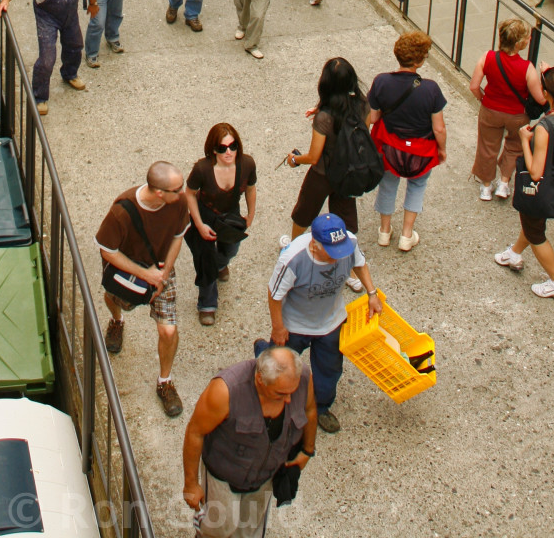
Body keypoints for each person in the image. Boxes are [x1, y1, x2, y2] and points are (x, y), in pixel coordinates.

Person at [255, 214, 380, 434]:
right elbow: (274, 295)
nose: (338, 257)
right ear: (315, 244)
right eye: (331, 252)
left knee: (329, 371)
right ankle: (264, 361)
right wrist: (278, 327)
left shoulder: (348, 243)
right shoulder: (292, 259)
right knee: (277, 367)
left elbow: (360, 264)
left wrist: (372, 293)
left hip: (330, 323)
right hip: (295, 325)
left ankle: (320, 407)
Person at [183, 347, 315, 538]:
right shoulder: (225, 391)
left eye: (292, 392)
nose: (288, 399)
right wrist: (191, 485)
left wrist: (307, 451)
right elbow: (195, 432)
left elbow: (309, 410)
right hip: (223, 479)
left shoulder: (302, 378)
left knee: (249, 532)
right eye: (280, 393)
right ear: (260, 380)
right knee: (217, 530)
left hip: (265, 479)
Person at [97, 162, 189, 417]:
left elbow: (177, 237)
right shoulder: (122, 211)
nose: (183, 193)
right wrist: (145, 274)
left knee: (168, 330)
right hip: (129, 271)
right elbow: (107, 250)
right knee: (112, 298)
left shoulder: (178, 203)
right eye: (177, 188)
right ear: (160, 192)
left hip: (160, 271)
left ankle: (164, 382)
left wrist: (163, 274)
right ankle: (117, 320)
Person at [495, 65, 554, 301]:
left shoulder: (545, 128)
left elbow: (535, 172)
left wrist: (525, 140)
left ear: (545, 93)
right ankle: (514, 254)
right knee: (533, 222)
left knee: (536, 233)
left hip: (543, 186)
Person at [0, 0, 95, 115]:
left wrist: (93, 3)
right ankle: (39, 96)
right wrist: (5, 0)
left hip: (70, 14)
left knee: (75, 46)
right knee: (47, 58)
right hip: (47, 16)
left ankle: (70, 74)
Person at [368, 32, 447, 252]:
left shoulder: (381, 81)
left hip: (390, 148)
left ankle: (384, 231)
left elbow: (373, 117)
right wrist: (441, 150)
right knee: (417, 186)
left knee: (388, 184)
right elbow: (439, 128)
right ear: (419, 60)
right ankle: (406, 234)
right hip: (421, 151)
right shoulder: (431, 89)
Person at [285, 56, 370, 250]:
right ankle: (346, 261)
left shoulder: (324, 119)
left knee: (304, 212)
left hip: (322, 174)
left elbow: (314, 156)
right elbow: (364, 139)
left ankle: (293, 249)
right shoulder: (364, 105)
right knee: (345, 218)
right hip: (348, 173)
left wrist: (294, 159)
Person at [184, 124, 257, 322]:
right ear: (213, 149)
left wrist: (250, 215)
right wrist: (198, 224)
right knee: (205, 257)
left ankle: (219, 265)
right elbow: (189, 194)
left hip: (230, 214)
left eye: (233, 146)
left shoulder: (247, 164)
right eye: (222, 148)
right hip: (205, 213)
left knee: (231, 249)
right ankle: (207, 304)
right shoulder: (202, 169)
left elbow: (251, 189)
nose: (228, 152)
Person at [470, 18, 547, 201]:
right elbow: (540, 98)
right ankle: (504, 183)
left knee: (487, 147)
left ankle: (486, 186)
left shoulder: (488, 57)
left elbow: (474, 86)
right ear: (519, 43)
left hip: (491, 109)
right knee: (515, 146)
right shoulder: (527, 68)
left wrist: (484, 99)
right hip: (517, 115)